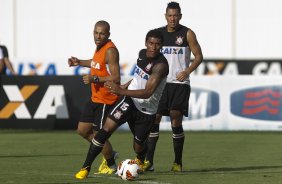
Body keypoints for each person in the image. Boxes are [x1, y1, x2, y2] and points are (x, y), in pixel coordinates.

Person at [75, 29, 169, 178]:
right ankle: (85, 168)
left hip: (146, 110)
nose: (153, 47)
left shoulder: (161, 66)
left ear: (162, 46)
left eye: (157, 44)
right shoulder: (141, 54)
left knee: (138, 146)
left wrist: (120, 90)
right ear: (146, 43)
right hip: (129, 101)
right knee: (105, 130)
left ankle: (141, 158)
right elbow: (138, 78)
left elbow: (148, 91)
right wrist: (125, 86)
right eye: (151, 43)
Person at [144, 1, 203, 172]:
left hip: (179, 84)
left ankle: (177, 162)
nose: (172, 18)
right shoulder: (159, 35)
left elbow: (198, 56)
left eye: (175, 15)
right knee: (154, 119)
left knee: (175, 118)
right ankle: (149, 162)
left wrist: (187, 71)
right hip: (161, 83)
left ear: (180, 16)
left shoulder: (187, 33)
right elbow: (152, 57)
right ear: (165, 16)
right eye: (170, 15)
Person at [68, 20, 120, 179]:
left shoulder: (110, 50)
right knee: (82, 130)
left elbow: (116, 77)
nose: (98, 36)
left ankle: (110, 163)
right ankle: (109, 153)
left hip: (106, 99)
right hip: (95, 98)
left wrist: (95, 79)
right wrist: (79, 62)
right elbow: (95, 63)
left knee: (98, 134)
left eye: (102, 33)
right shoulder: (99, 47)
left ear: (108, 34)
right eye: (96, 33)